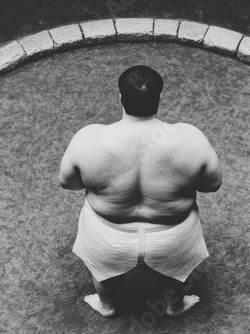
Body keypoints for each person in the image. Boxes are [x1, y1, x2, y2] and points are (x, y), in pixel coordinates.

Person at [59, 65, 222, 318]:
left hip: (108, 233)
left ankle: (107, 306)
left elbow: (69, 183)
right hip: (172, 234)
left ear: (120, 97)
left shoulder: (88, 139)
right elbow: (212, 185)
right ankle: (175, 306)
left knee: (105, 276)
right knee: (173, 278)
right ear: (159, 98)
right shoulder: (192, 139)